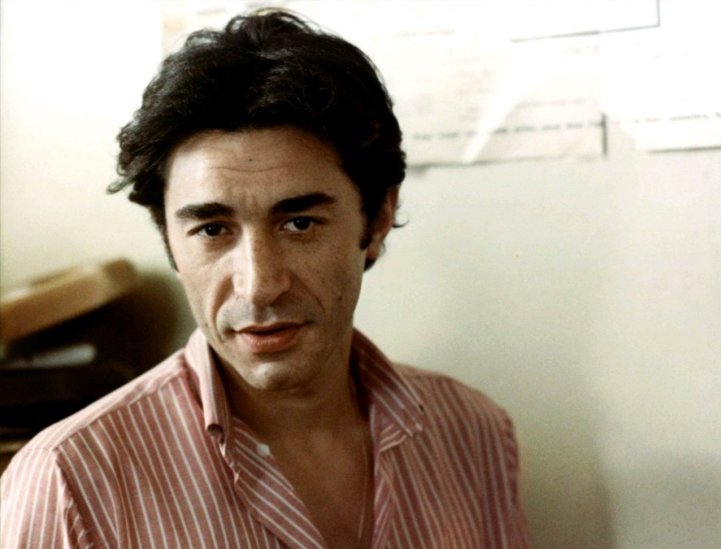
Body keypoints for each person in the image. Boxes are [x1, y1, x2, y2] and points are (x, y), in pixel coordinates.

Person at [0, 9, 530, 548]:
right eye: (212, 230)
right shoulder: (70, 482)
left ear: (376, 220)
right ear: (169, 241)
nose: (258, 286)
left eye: (299, 224)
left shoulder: (474, 434)